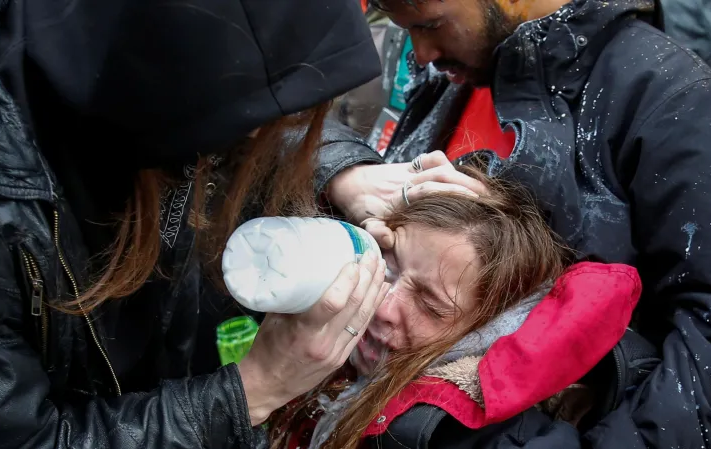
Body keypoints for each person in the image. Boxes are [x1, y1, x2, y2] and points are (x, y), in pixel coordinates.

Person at [0, 1, 481, 447]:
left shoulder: (141, 68)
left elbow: (244, 115)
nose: (380, 301)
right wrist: (250, 392)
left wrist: (342, 172)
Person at [327, 0, 711, 447]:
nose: (422, 51)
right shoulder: (459, 75)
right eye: (407, 28)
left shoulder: (671, 98)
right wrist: (344, 173)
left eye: (431, 25)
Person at [269, 169, 652, 449]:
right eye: (387, 266)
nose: (383, 305)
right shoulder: (322, 345)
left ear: (488, 331)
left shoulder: (482, 440)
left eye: (430, 305)